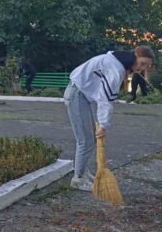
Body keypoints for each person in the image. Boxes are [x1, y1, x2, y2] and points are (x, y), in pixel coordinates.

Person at [64, 46, 155, 191]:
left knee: (88, 140)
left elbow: (105, 97)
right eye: (142, 63)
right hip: (76, 95)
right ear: (135, 56)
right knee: (85, 141)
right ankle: (78, 179)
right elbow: (105, 99)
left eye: (146, 66)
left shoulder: (115, 61)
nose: (142, 68)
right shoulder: (115, 68)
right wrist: (103, 125)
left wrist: (103, 124)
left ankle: (83, 172)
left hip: (80, 94)